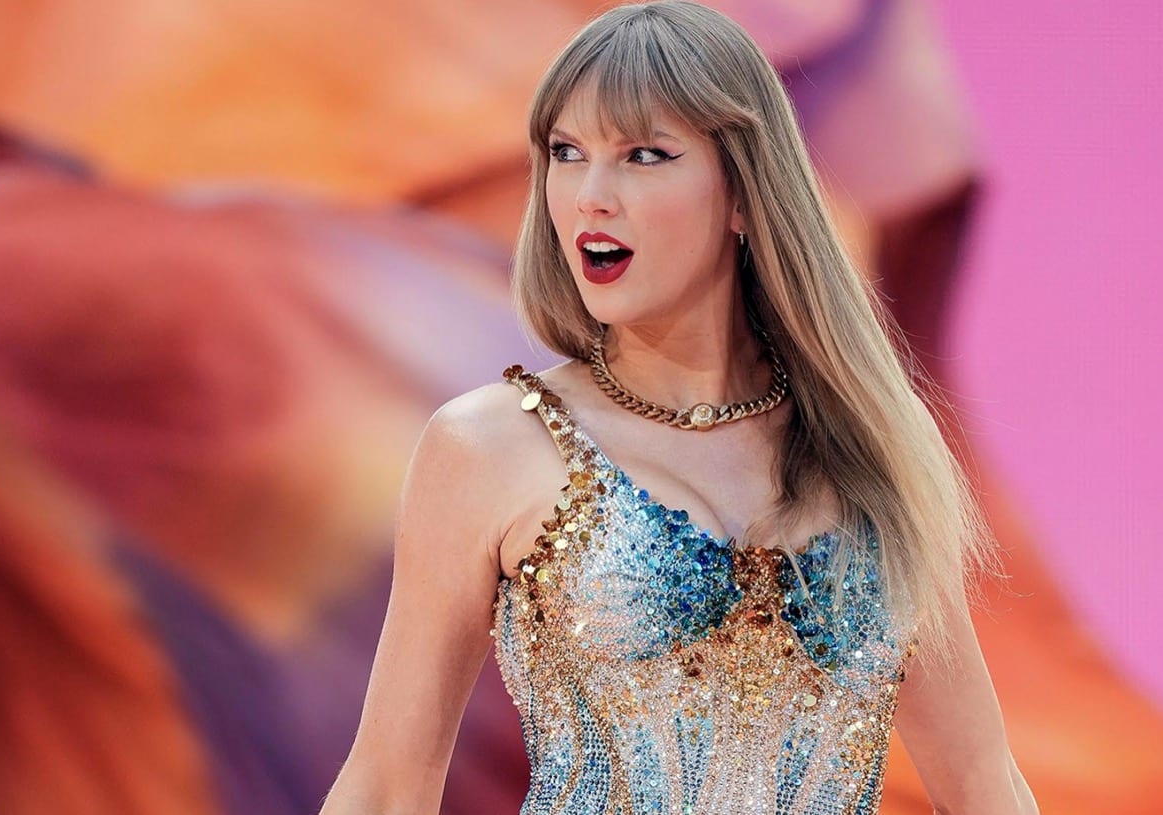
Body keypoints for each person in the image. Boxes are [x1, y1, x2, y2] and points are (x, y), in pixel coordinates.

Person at [319, 2, 1039, 813]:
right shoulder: (489, 446)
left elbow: (983, 785)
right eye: (566, 153)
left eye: (643, 156)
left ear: (744, 194)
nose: (591, 197)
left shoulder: (872, 442)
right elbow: (386, 787)